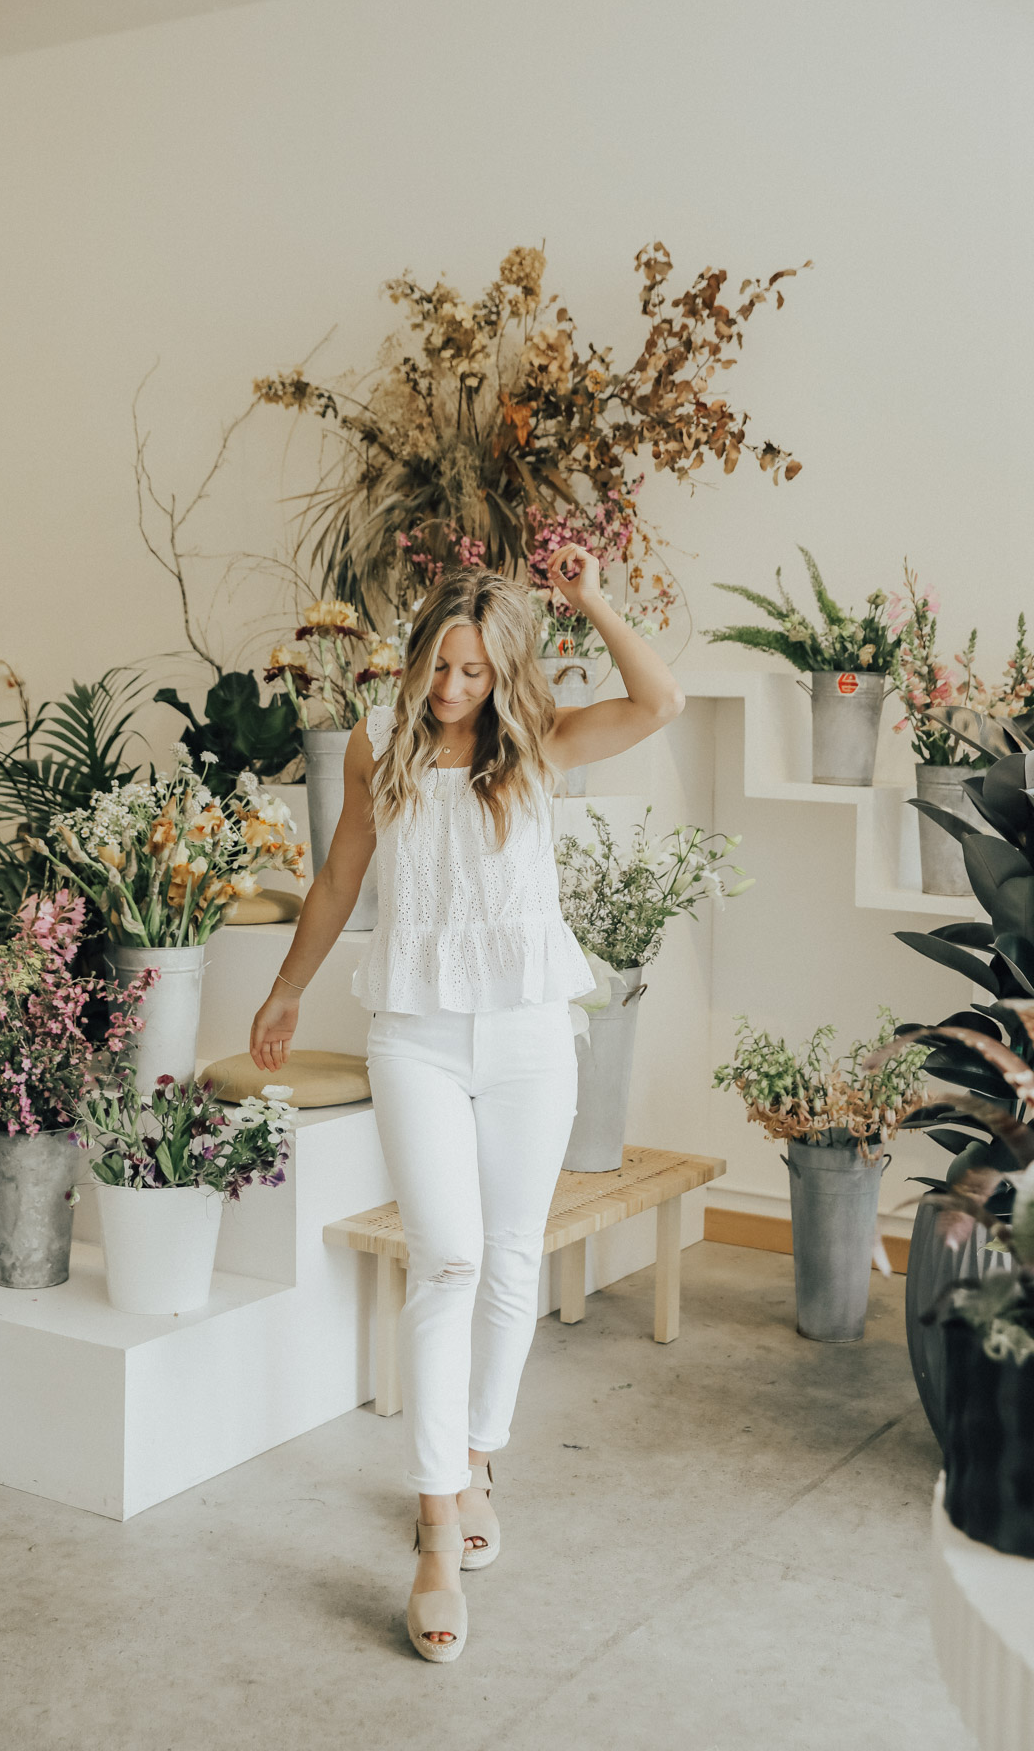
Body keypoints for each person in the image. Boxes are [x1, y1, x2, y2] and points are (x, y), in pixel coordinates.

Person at [249, 544, 684, 1663]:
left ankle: (478, 1453)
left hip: (534, 1033)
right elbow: (342, 878)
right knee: (444, 1258)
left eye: (474, 673)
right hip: (419, 1037)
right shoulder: (380, 748)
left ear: (505, 675)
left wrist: (588, 594)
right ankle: (437, 1528)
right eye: (440, 664)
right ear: (416, 656)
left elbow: (660, 700)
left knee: (510, 1257)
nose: (450, 690)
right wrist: (288, 988)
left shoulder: (540, 745)